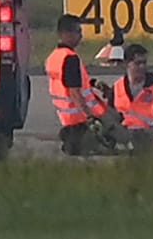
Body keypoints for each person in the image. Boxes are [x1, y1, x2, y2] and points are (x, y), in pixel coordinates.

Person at [46, 13, 108, 155]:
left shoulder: (54, 57)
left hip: (67, 118)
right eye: (78, 31)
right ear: (66, 34)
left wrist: (94, 83)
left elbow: (71, 80)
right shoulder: (70, 58)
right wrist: (89, 117)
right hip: (81, 119)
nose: (81, 36)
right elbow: (74, 92)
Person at [111, 42, 153, 150]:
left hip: (147, 140)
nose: (142, 67)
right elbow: (110, 116)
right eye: (138, 63)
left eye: (144, 63)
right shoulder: (117, 87)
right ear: (126, 64)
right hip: (123, 141)